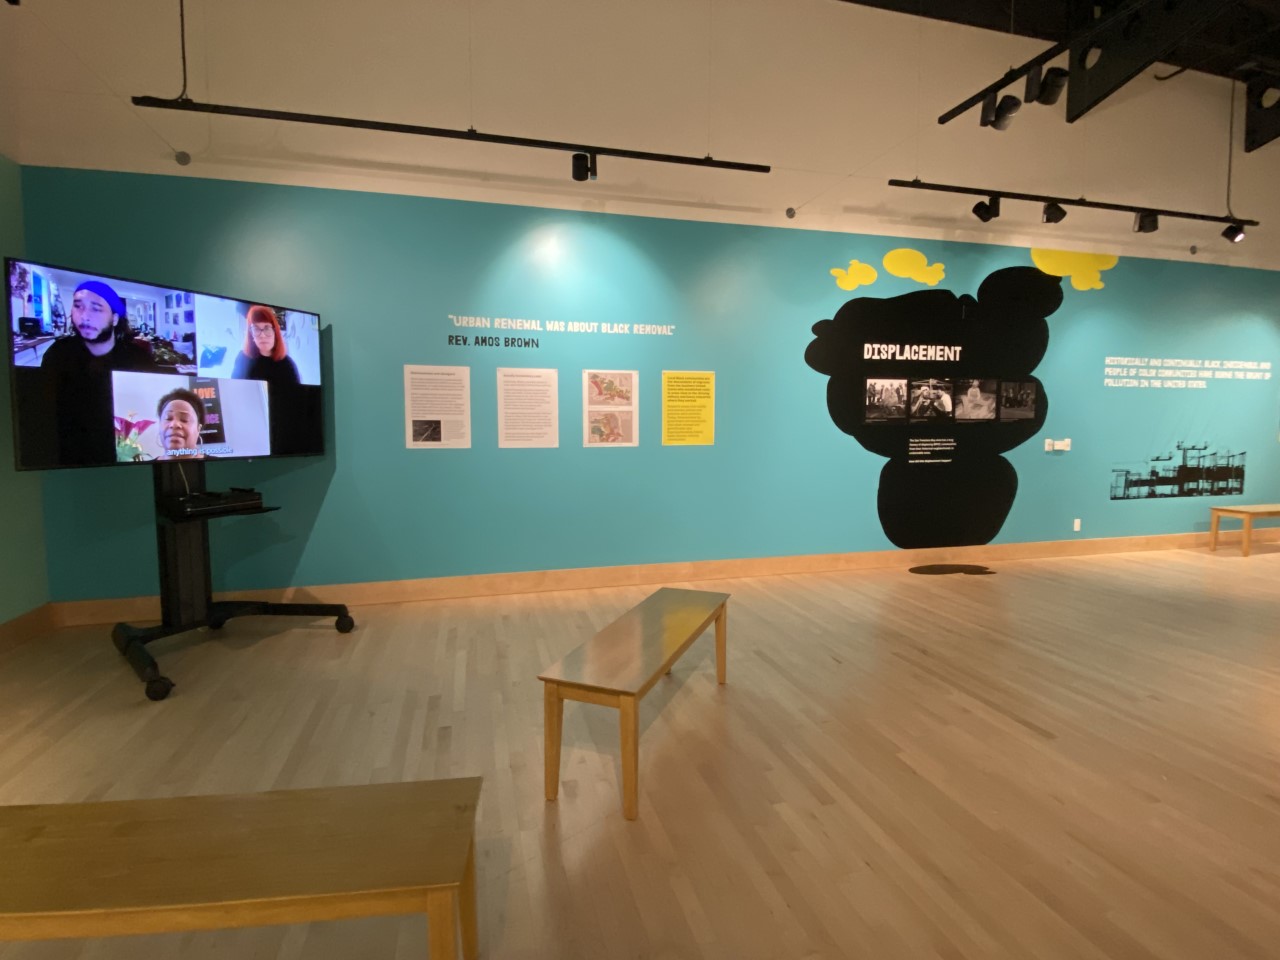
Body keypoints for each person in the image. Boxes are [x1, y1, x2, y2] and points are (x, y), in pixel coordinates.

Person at [41, 280, 154, 373]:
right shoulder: (58, 353)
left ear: (114, 319)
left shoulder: (138, 359)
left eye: (96, 308)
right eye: (78, 306)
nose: (84, 316)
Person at [232, 305, 300, 385]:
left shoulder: (288, 364)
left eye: (267, 328)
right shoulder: (242, 359)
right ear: (251, 335)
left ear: (275, 332)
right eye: (256, 329)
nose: (262, 335)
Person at [155, 387, 208, 460]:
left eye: (184, 419)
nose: (174, 424)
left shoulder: (219, 466)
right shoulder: (145, 469)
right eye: (168, 418)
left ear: (198, 429)